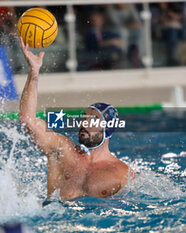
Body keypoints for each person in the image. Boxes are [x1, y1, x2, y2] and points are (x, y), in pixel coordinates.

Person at [18, 37, 134, 200]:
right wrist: (34, 71)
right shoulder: (62, 150)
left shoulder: (122, 174)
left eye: (93, 119)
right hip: (53, 218)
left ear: (107, 129)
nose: (85, 123)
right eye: (84, 118)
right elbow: (27, 118)